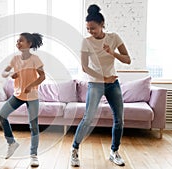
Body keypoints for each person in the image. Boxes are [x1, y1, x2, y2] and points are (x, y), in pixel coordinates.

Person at [70, 4, 131, 167]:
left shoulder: (114, 38)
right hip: (96, 84)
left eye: (93, 28)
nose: (90, 31)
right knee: (88, 119)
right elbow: (85, 67)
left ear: (102, 24)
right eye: (88, 28)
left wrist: (113, 53)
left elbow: (127, 59)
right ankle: (75, 150)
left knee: (119, 119)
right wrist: (104, 77)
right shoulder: (86, 42)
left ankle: (114, 152)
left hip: (113, 84)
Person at [0, 32, 45, 167]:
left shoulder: (35, 59)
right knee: (2, 115)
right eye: (17, 41)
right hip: (18, 95)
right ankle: (11, 143)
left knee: (34, 126)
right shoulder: (15, 59)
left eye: (21, 41)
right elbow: (3, 72)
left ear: (29, 44)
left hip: (32, 96)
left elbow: (42, 77)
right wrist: (10, 74)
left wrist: (31, 86)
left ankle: (33, 155)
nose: (18, 43)